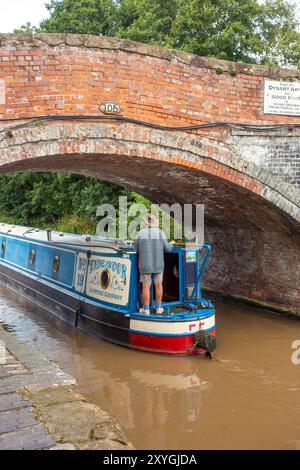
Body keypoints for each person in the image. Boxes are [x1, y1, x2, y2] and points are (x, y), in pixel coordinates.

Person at [135, 213, 173, 315]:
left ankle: (146, 309)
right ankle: (159, 308)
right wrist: (171, 244)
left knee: (146, 286)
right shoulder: (161, 233)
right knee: (158, 285)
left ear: (145, 222)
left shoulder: (141, 233)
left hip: (145, 264)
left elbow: (136, 249)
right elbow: (167, 249)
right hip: (158, 264)